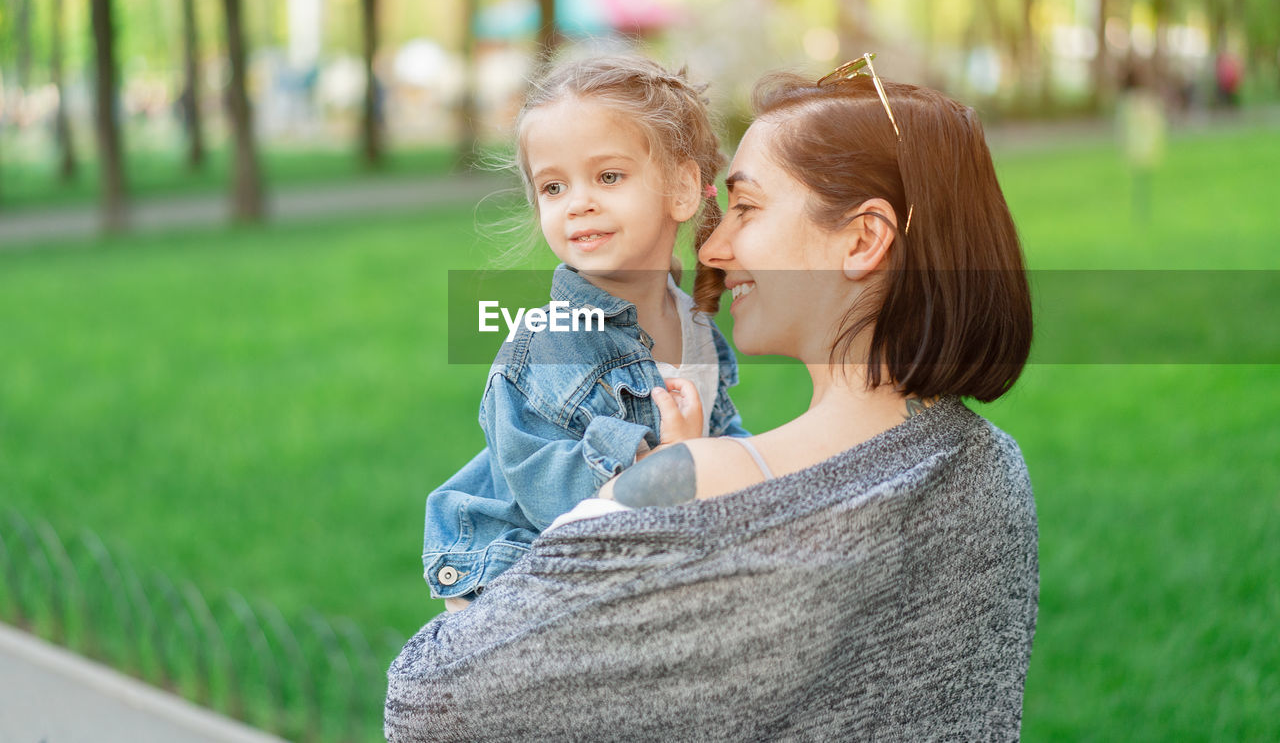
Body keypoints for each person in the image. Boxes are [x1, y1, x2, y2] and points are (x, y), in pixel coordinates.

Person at [387, 57, 1038, 741]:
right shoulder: (991, 465)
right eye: (553, 185)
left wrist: (666, 480)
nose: (716, 245)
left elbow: (426, 702)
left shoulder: (700, 481)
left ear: (864, 237)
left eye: (747, 208)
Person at [421, 55, 749, 610]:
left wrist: (748, 470)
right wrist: (669, 464)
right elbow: (549, 496)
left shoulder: (693, 323)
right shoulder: (547, 345)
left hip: (633, 569)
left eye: (609, 176)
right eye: (553, 187)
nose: (579, 203)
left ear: (682, 188)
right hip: (524, 586)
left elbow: (723, 433)